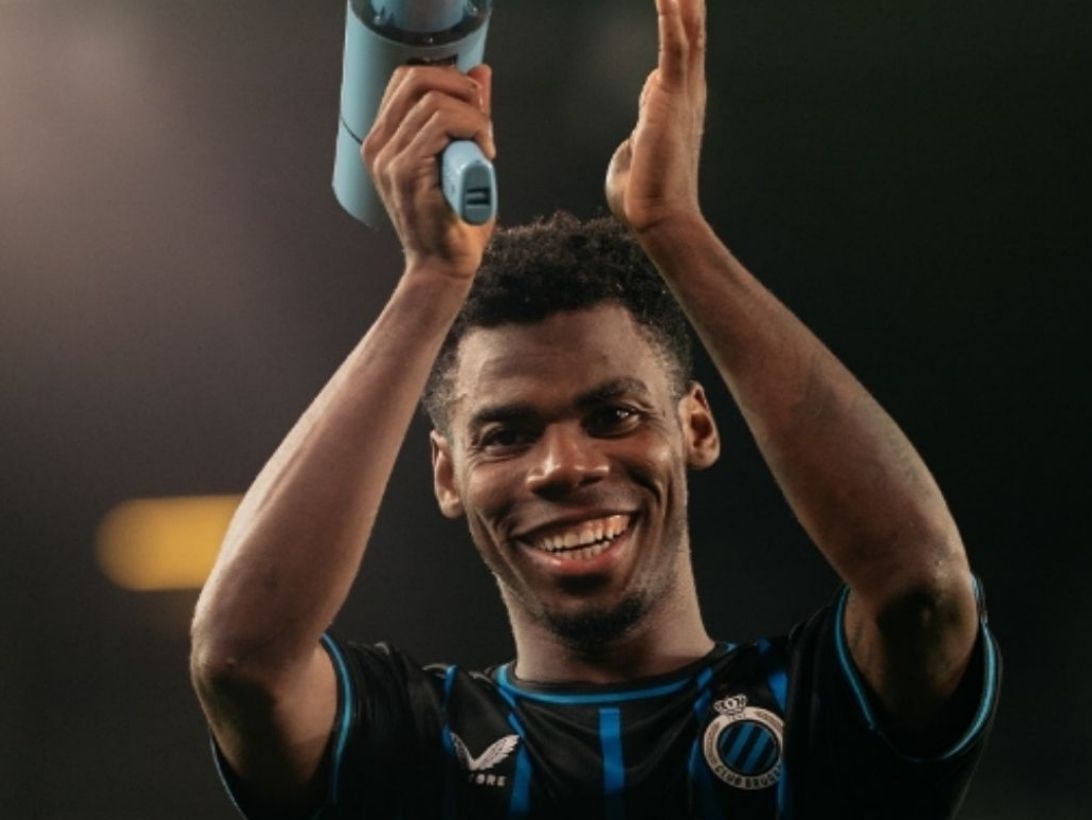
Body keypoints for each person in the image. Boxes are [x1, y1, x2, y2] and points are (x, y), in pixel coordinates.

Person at [190, 0, 1000, 817]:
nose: (565, 467)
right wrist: (429, 281)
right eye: (506, 434)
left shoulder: (816, 710)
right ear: (447, 473)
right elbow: (239, 661)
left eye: (614, 416)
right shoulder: (409, 742)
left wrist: (677, 233)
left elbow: (924, 588)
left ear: (696, 425)